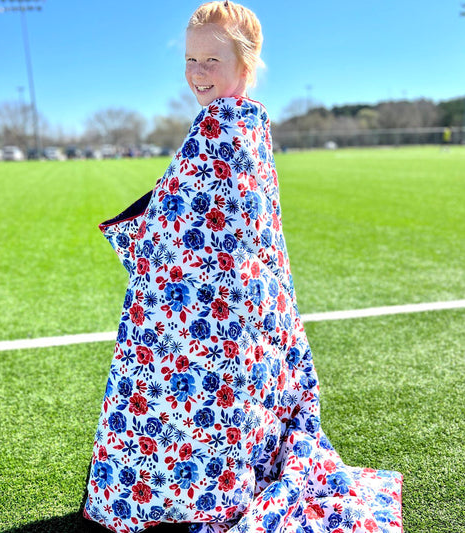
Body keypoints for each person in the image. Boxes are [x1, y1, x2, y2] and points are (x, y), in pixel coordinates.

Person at [83, 2, 403, 532]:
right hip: (243, 301)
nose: (198, 72)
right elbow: (211, 211)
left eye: (212, 59)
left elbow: (183, 218)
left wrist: (136, 229)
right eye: (190, 59)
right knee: (235, 401)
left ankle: (185, 495)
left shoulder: (223, 125)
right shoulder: (251, 121)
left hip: (216, 308)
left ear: (245, 64)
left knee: (183, 397)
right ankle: (225, 481)